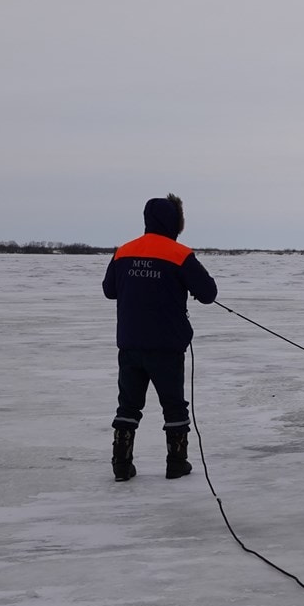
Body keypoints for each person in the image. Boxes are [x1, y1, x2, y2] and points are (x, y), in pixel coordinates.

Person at [103, 195, 218, 481]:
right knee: (174, 406)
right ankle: (176, 463)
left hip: (130, 343)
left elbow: (109, 290)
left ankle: (121, 464)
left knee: (128, 405)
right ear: (176, 222)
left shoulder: (124, 252)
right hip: (166, 346)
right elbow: (208, 294)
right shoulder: (179, 254)